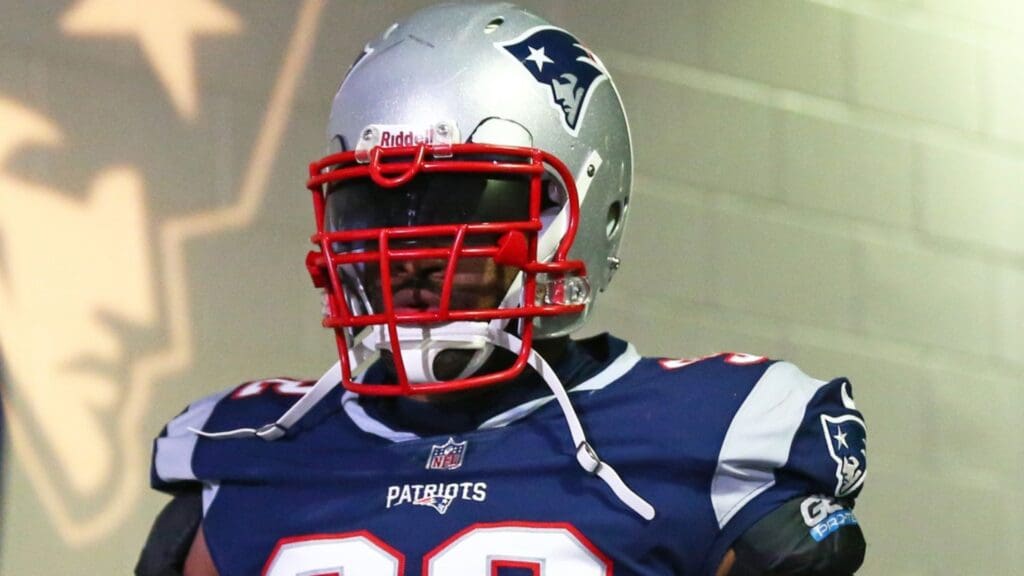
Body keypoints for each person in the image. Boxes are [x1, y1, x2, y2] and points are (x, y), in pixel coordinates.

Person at [138, 3, 867, 575]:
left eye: (461, 209)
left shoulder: (712, 437)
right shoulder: (242, 451)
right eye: (376, 208)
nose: (411, 254)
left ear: (584, 216)